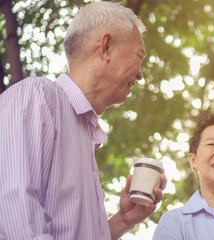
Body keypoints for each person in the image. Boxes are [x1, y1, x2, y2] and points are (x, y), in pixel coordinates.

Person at [0, 1, 166, 239]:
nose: (140, 74)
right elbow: (15, 216)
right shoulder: (37, 97)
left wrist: (122, 221)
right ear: (106, 47)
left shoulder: (83, 134)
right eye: (139, 57)